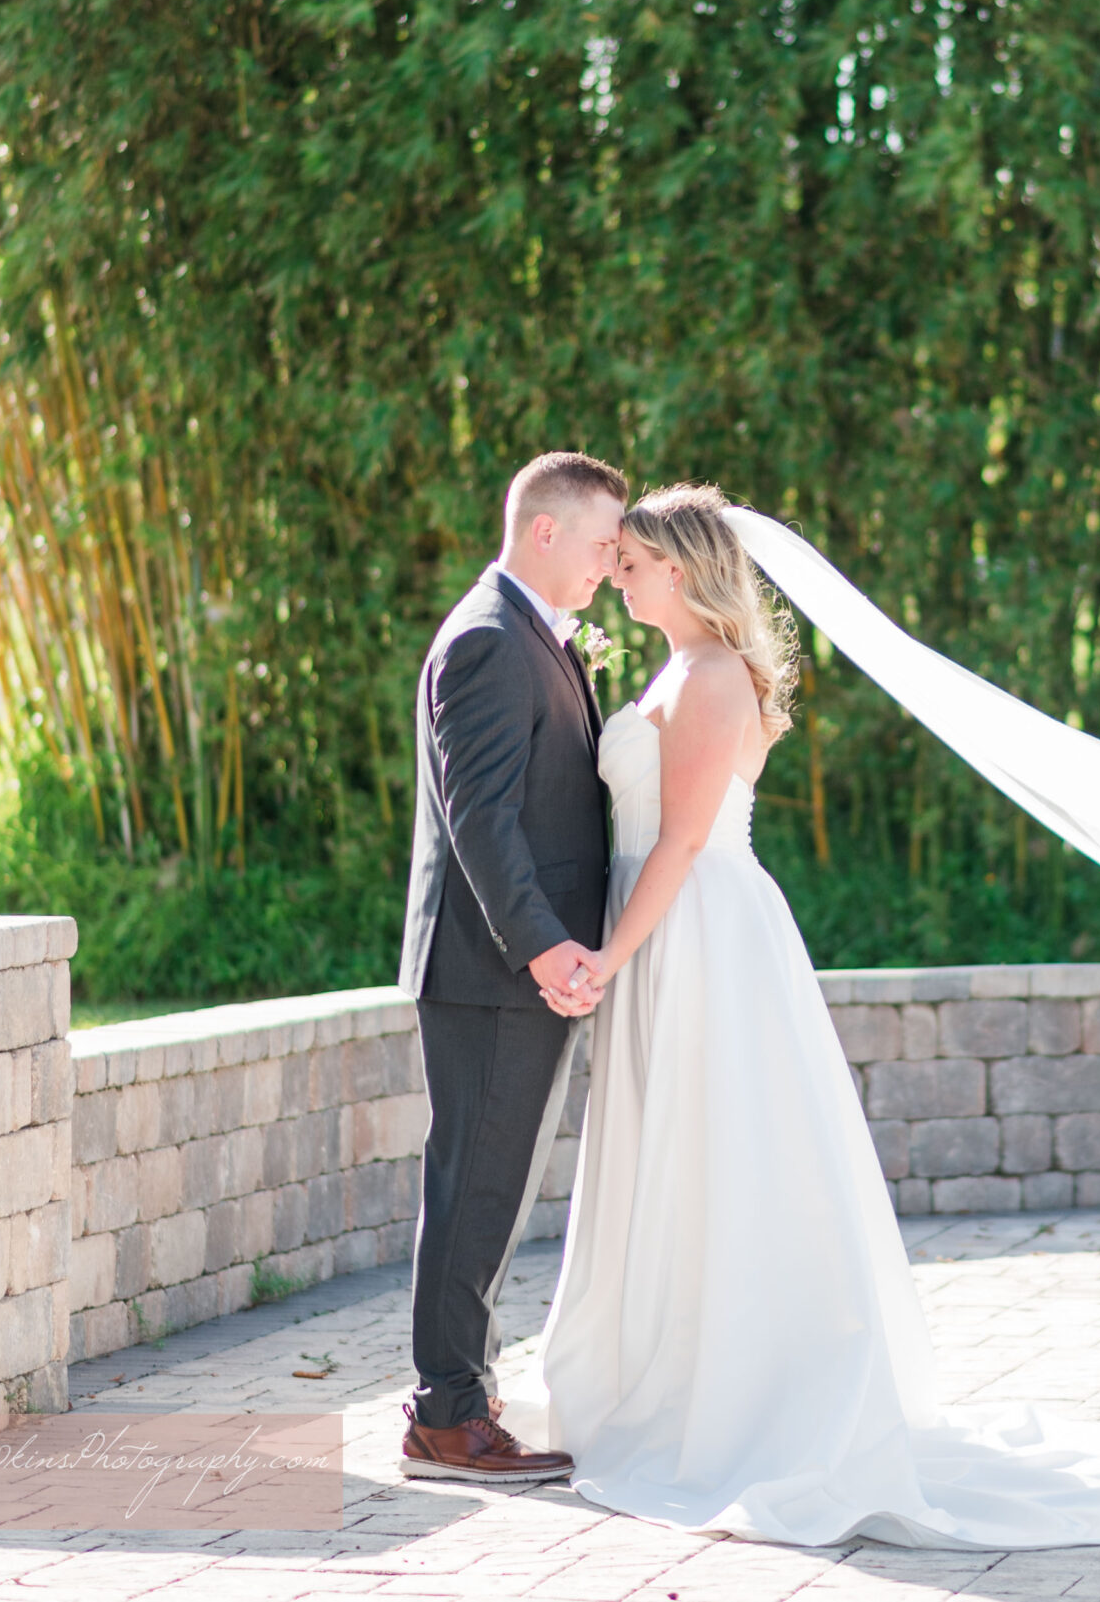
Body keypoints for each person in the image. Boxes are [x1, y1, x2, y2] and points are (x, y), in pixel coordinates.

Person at [525, 482, 1100, 1547]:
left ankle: (731, 1395)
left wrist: (609, 956)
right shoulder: (676, 669)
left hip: (696, 932)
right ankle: (656, 1372)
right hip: (661, 932)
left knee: (721, 1154)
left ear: (681, 567)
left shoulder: (714, 676)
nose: (617, 571)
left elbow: (678, 841)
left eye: (632, 559)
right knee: (669, 1157)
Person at [395, 450, 626, 1482]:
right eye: (599, 544)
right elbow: (480, 821)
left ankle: (464, 1393)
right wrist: (542, 947)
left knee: (493, 1187)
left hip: (518, 969)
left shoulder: (532, 632)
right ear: (545, 531)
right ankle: (445, 1416)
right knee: (476, 1187)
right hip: (494, 970)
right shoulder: (490, 639)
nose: (608, 565)